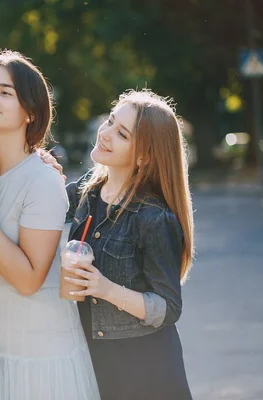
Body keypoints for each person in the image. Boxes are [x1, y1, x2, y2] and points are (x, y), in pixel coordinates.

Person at [0, 51, 100, 400]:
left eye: (5, 92)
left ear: (30, 111)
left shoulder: (42, 181)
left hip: (39, 355)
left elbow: (29, 279)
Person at [64, 89, 194, 399]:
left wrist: (105, 289)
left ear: (144, 156)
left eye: (121, 133)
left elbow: (169, 308)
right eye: (109, 122)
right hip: (92, 361)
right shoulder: (83, 194)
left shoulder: (153, 217)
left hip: (145, 370)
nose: (105, 134)